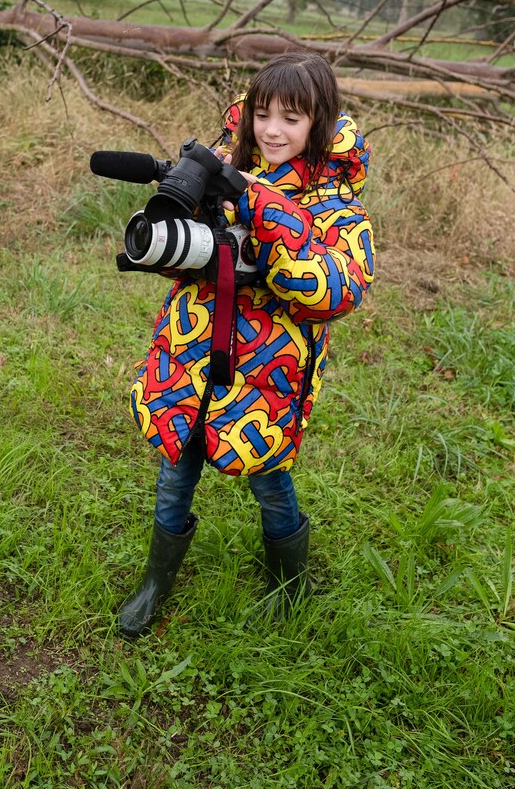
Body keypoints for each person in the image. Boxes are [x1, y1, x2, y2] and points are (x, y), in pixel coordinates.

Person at [118, 49, 375, 638]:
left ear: (321, 123)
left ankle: (290, 584)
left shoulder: (337, 208)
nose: (272, 130)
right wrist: (171, 239)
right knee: (175, 462)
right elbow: (185, 263)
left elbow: (338, 288)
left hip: (266, 372)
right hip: (192, 353)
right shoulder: (223, 174)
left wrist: (263, 208)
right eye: (262, 114)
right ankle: (156, 582)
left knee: (269, 478)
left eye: (291, 116)